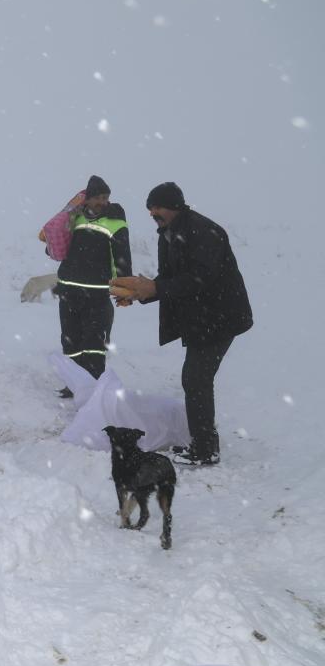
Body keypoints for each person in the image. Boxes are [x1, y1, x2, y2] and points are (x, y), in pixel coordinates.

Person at [111, 182, 252, 466]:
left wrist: (153, 288)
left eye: (157, 208)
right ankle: (203, 444)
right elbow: (169, 280)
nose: (152, 213)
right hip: (202, 318)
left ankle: (205, 450)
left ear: (174, 206)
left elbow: (200, 279)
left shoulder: (204, 231)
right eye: (150, 209)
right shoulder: (168, 234)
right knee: (195, 379)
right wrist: (141, 292)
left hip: (221, 316)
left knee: (196, 379)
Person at [55, 175, 132, 388]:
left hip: (97, 294)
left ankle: (95, 386)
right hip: (69, 290)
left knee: (94, 343)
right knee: (70, 340)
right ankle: (73, 384)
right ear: (86, 200)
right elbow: (58, 243)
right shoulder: (74, 218)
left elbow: (122, 257)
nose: (101, 201)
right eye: (97, 197)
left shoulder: (115, 221)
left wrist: (125, 290)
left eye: (105, 197)